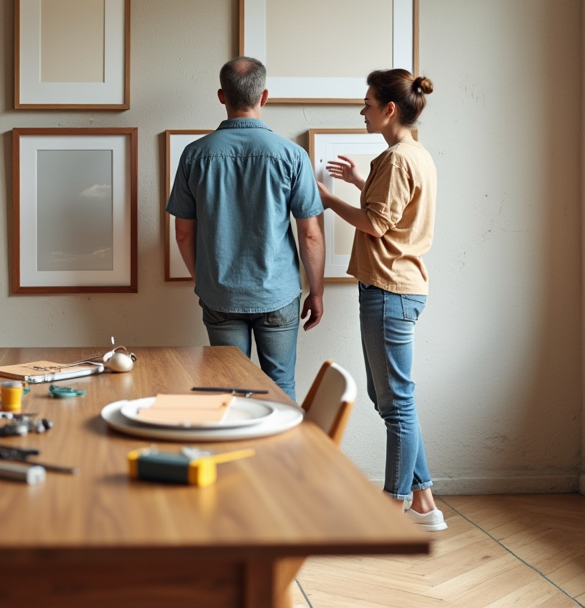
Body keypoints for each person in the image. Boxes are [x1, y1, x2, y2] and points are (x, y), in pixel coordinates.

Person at [317, 68, 444, 531]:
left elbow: (376, 224)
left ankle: (393, 506)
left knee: (396, 402)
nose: (362, 112)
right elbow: (390, 210)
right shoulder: (412, 155)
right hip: (400, 287)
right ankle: (425, 500)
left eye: (367, 104)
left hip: (389, 289)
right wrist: (357, 181)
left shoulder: (396, 160)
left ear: (390, 109)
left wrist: (329, 200)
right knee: (390, 396)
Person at [166, 57, 325, 401]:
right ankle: (282, 456)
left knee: (229, 392)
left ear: (222, 96)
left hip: (220, 294)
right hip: (278, 294)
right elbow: (310, 234)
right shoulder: (292, 155)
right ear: (264, 96)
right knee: (281, 388)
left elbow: (182, 233)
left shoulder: (194, 155)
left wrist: (203, 278)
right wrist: (317, 291)